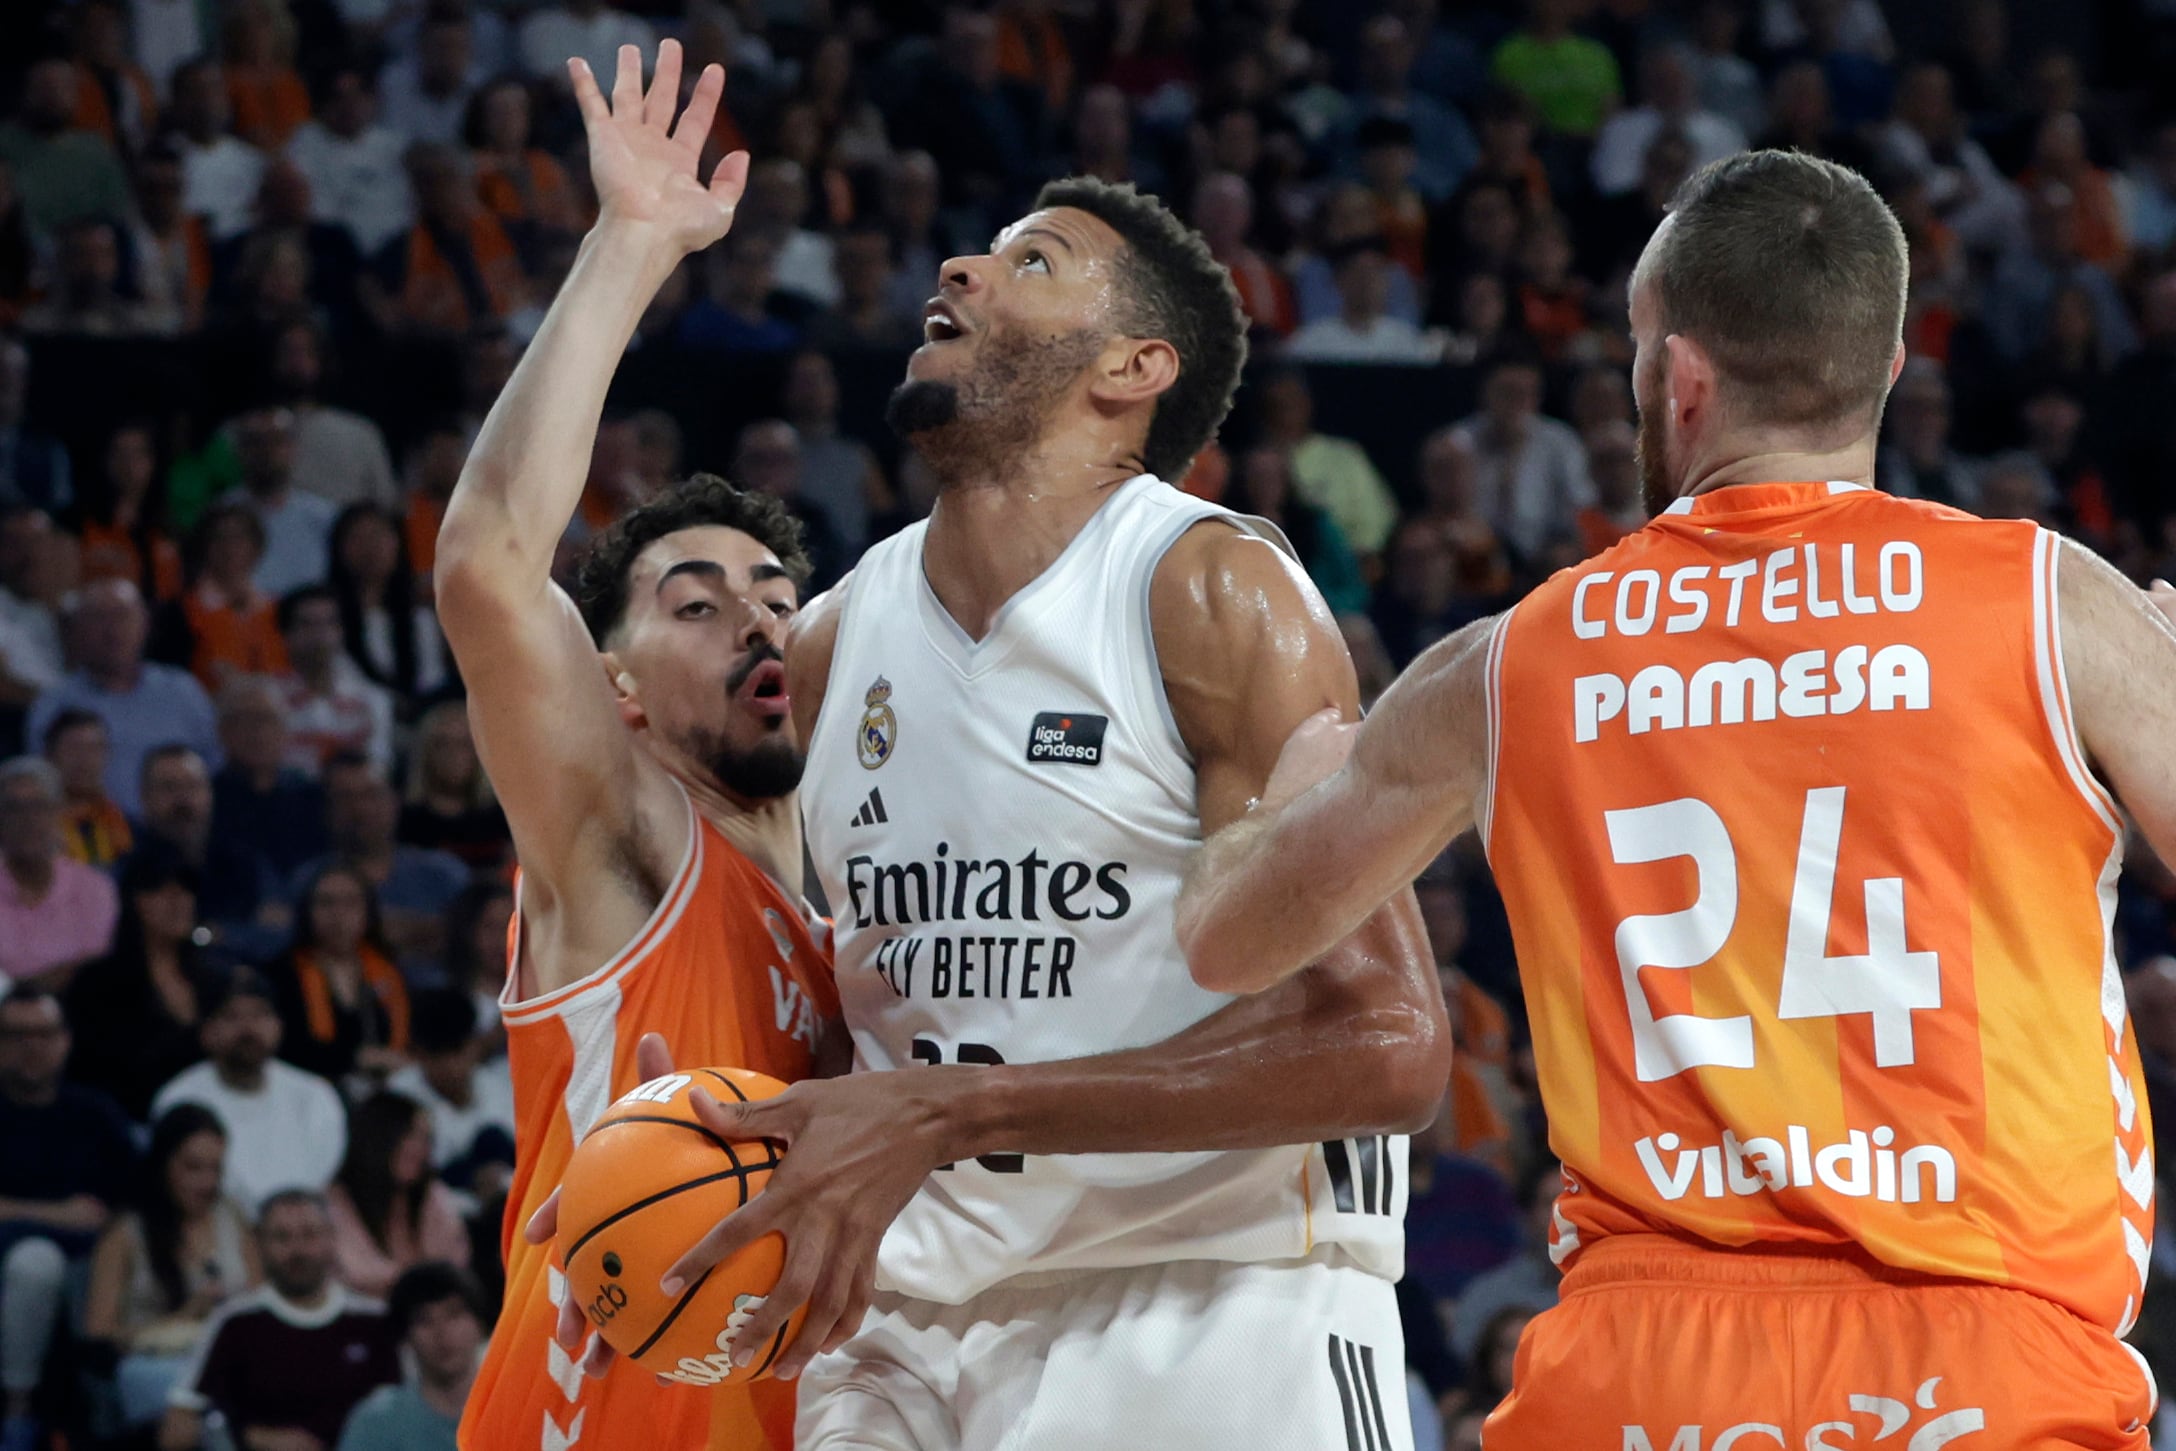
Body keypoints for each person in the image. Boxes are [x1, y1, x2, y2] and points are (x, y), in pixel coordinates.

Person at [1174, 150, 2176, 1446]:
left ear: (1680, 374)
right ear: (1884, 370)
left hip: (1639, 1372)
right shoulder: (2052, 601)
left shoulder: (1510, 659)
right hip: (1986, 1355)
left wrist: (1273, 771)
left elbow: (1228, 938)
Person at [544, 49, 1446, 1445]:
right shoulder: (838, 640)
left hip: (1207, 1299)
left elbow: (1391, 1047)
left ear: (1133, 369)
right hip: (906, 1321)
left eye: (1033, 260)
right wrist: (667, 1142)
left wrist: (954, 1111)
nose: (962, 263)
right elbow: (870, 1014)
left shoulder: (1207, 591)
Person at [434, 40, 839, 1451]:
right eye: (696, 598)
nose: (753, 617)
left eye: (778, 597)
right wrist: (632, 243)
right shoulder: (627, 839)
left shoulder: (862, 928)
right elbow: (489, 560)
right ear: (609, 683)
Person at [0, 987, 137, 1451]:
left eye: (43, 1034)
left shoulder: (94, 1113)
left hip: (92, 1264)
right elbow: (83, 1214)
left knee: (83, 1269)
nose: (31, 1047)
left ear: (65, 1040)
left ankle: (106, 1420)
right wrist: (61, 1215)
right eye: (16, 1035)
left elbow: (124, 1206)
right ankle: (16, 1411)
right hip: (12, 1262)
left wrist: (15, 1210)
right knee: (37, 1262)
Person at [159, 1189, 401, 1451]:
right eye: (282, 1237)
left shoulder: (375, 1320)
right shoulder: (235, 1323)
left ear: (332, 1238)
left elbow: (418, 1410)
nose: (297, 1250)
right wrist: (253, 1437)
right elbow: (177, 1429)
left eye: (310, 1235)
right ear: (260, 1243)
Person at [83, 1104, 260, 1433]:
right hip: (157, 1363)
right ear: (163, 1164)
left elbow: (260, 1295)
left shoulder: (231, 1215)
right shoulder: (125, 1233)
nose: (207, 1182)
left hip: (230, 1355)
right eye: (194, 1168)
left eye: (216, 1169)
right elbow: (99, 1335)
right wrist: (184, 1316)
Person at [152, 969, 349, 1214]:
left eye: (260, 1014)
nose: (248, 1028)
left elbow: (319, 1178)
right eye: (231, 1016)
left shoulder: (315, 1095)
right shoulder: (178, 1100)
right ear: (206, 1032)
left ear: (279, 1026)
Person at [25, 579, 220, 817]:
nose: (112, 629)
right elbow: (41, 790)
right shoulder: (54, 704)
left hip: (175, 833)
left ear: (145, 624)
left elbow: (215, 768)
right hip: (88, 840)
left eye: (122, 615)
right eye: (99, 617)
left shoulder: (183, 692)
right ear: (78, 628)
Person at [64, 844, 217, 1121]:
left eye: (185, 889)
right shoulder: (97, 984)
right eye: (161, 889)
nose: (178, 900)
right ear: (133, 900)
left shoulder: (214, 979)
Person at [301, 755, 465, 961]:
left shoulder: (444, 873)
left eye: (371, 795)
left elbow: (474, 936)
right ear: (328, 810)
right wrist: (421, 930)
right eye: (345, 797)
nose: (361, 809)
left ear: (395, 801)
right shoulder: (308, 880)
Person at [325, 1092, 469, 1297]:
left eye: (427, 1138)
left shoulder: (432, 1194)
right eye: (410, 1135)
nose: (422, 1148)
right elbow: (358, 1273)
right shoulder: (336, 1201)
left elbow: (453, 1263)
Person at [336, 1261, 486, 1451]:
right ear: (406, 1336)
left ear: (479, 1325)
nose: (441, 1332)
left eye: (454, 1315)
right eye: (424, 1320)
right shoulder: (377, 1422)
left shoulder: (512, 1408)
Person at [0, 755, 119, 987]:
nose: (28, 819)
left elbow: (93, 967)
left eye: (39, 806)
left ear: (58, 814)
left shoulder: (94, 888)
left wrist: (22, 984)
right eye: (14, 808)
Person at [386, 989, 515, 1194]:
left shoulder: (497, 1087)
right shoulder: (399, 1097)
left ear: (474, 1044)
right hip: (435, 1208)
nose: (452, 1065)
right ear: (419, 1053)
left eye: (457, 1050)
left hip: (501, 1208)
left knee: (494, 1139)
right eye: (440, 1054)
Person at [210, 674, 329, 867]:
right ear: (222, 731)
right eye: (244, 720)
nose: (257, 731)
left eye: (266, 719)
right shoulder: (208, 799)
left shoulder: (311, 797)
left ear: (285, 731)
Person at [279, 588, 396, 772]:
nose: (319, 634)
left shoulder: (372, 700)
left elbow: (376, 769)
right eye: (307, 624)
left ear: (341, 631)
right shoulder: (267, 700)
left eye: (328, 623)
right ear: (286, 634)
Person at [398, 702, 507, 869]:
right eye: (442, 744)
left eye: (464, 745)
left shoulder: (501, 819)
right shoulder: (404, 819)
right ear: (425, 752)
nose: (453, 755)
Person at [41, 707, 131, 866]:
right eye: (74, 748)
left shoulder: (126, 825)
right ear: (49, 755)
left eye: (94, 749)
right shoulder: (32, 827)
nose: (85, 760)